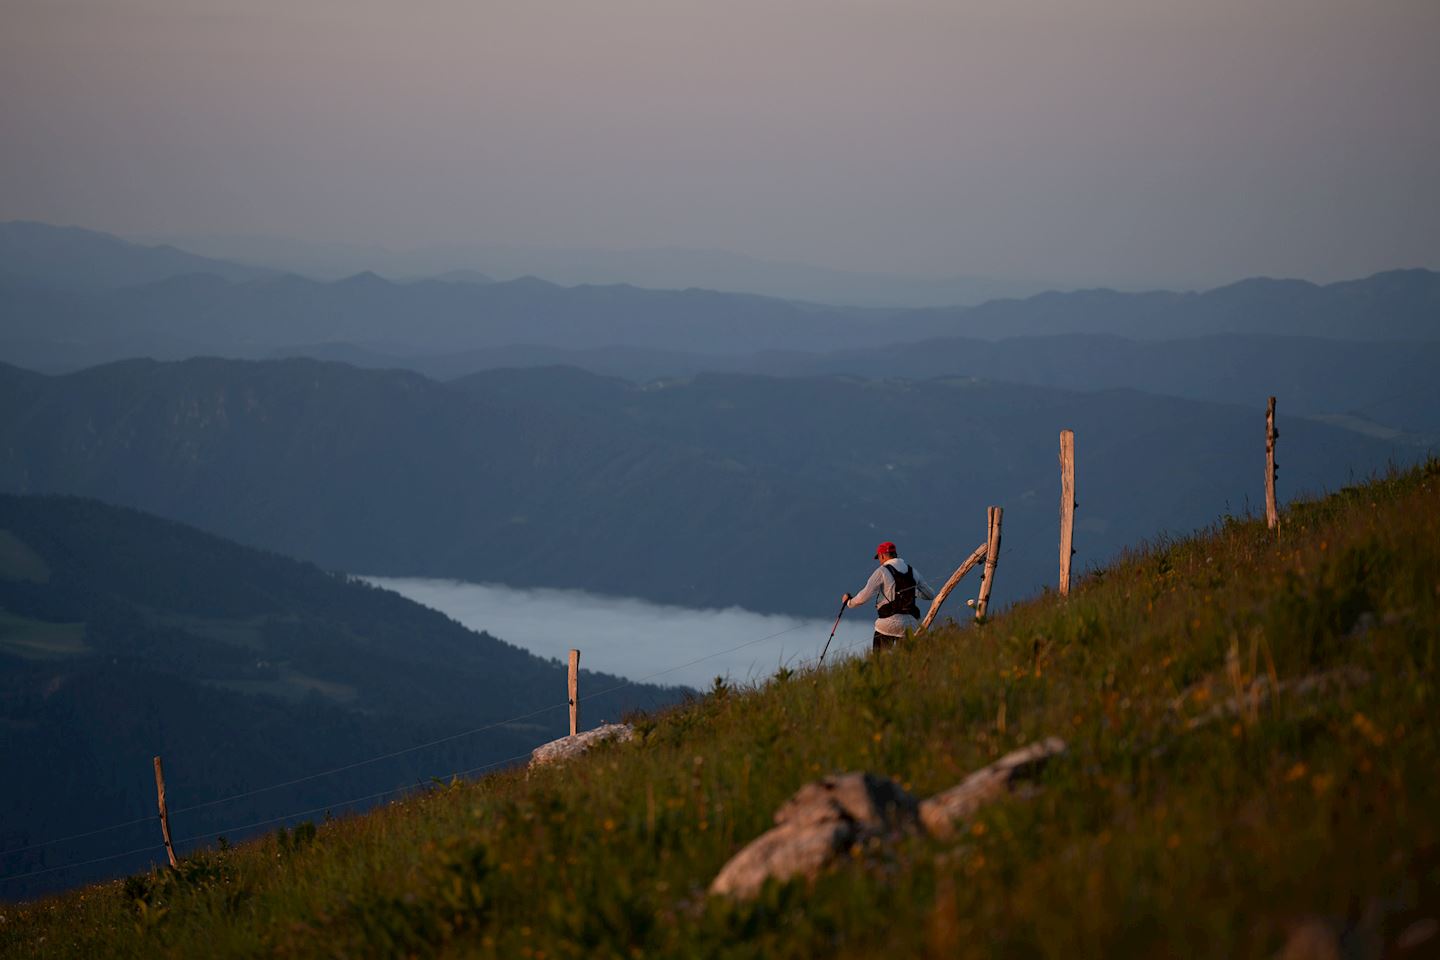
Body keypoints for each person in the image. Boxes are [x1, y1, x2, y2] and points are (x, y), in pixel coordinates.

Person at [842, 541, 935, 652]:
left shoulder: (881, 571)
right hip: (909, 626)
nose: (880, 562)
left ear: (882, 555)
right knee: (906, 663)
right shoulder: (912, 571)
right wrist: (912, 592)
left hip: (887, 625)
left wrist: (849, 602)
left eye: (879, 558)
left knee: (880, 662)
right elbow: (930, 595)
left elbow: (863, 598)